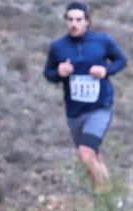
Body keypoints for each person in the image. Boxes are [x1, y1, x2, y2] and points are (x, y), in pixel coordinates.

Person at [44, 2, 127, 190]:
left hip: (99, 108)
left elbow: (121, 60)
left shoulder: (102, 41)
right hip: (74, 113)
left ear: (87, 22)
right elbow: (48, 74)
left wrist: (105, 70)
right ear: (65, 21)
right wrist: (59, 72)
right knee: (92, 158)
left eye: (78, 20)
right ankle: (105, 203)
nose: (74, 24)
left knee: (85, 153)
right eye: (70, 19)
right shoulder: (58, 46)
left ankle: (110, 200)